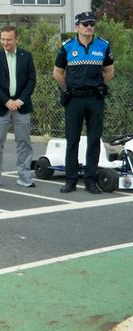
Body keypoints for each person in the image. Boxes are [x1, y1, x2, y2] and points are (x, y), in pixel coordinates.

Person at [53, 11, 115, 194]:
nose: (89, 27)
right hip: (74, 99)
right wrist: (69, 88)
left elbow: (110, 70)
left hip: (95, 99)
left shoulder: (103, 46)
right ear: (77, 26)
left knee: (94, 140)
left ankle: (90, 179)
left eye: (92, 24)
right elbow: (57, 73)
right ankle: (71, 180)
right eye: (85, 24)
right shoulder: (67, 47)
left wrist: (99, 86)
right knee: (72, 139)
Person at [0, 26, 37, 188]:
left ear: (17, 39)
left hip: (22, 106)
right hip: (1, 107)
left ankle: (24, 176)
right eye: (2, 39)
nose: (5, 42)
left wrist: (20, 100)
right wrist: (7, 101)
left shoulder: (26, 56)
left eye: (8, 39)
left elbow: (31, 80)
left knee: (24, 142)